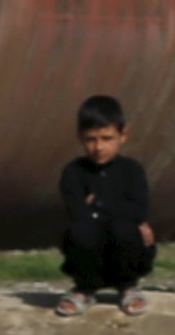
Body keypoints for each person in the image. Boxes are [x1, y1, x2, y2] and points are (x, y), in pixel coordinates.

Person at [57, 93, 155, 314]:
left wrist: (98, 203)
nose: (98, 147)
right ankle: (84, 289)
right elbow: (77, 212)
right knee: (81, 232)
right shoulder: (74, 172)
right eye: (90, 139)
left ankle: (128, 286)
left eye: (106, 138)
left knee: (126, 230)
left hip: (124, 244)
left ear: (123, 135)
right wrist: (118, 209)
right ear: (80, 137)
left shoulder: (132, 170)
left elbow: (139, 210)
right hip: (89, 243)